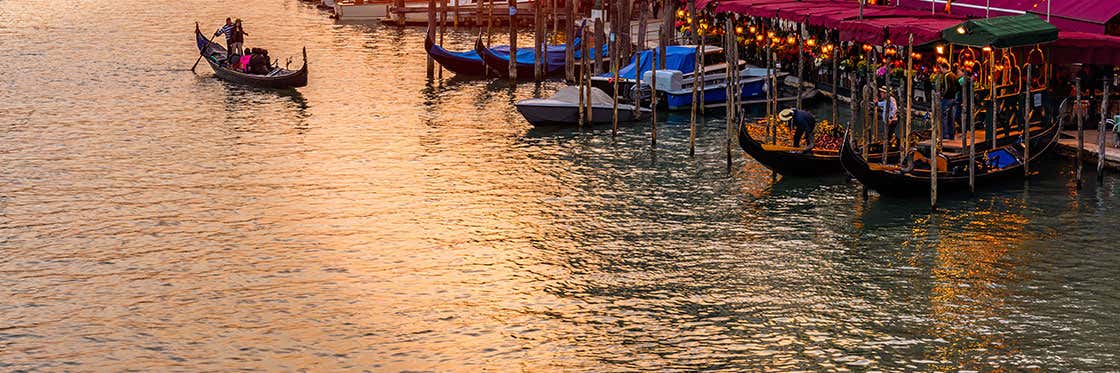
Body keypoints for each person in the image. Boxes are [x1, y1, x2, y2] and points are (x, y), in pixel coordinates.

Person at [939, 63, 961, 140]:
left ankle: (945, 135)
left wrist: (942, 95)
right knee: (951, 117)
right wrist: (954, 94)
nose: (940, 70)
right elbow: (959, 87)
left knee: (944, 117)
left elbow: (946, 88)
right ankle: (951, 134)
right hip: (953, 99)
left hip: (947, 99)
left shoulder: (946, 76)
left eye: (940, 68)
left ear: (943, 68)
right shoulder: (954, 75)